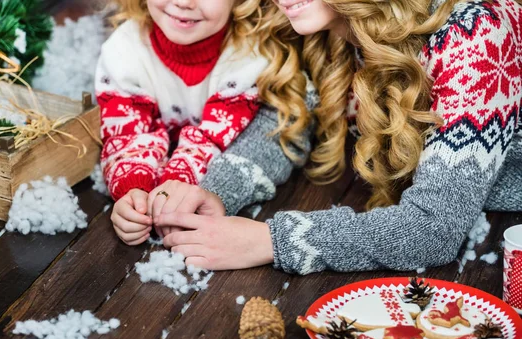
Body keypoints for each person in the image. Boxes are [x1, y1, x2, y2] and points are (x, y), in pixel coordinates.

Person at [150, 0, 522, 273]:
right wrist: (217, 192)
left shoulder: (476, 33)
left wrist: (272, 241)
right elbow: (286, 123)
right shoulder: (329, 25)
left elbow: (433, 229)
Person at [96, 0, 271, 245]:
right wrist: (134, 193)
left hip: (207, 183)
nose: (183, 2)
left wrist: (176, 189)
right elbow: (126, 134)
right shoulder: (124, 51)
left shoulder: (248, 59)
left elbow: (214, 140)